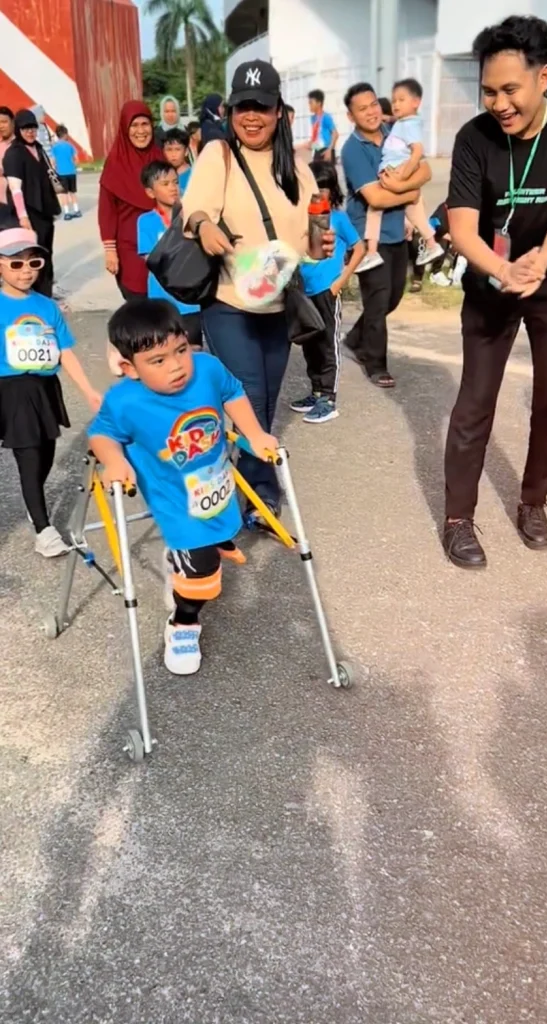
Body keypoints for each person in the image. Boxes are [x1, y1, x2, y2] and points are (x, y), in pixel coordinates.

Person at [443, 15, 547, 569]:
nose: (499, 104)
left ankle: (534, 501)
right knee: (475, 400)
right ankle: (458, 518)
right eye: (489, 91)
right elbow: (462, 228)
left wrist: (540, 263)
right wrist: (503, 271)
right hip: (492, 276)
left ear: (543, 77)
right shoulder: (473, 138)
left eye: (510, 89)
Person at [89, 298, 278, 675]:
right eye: (158, 360)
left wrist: (255, 433)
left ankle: (183, 564)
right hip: (173, 498)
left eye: (180, 350)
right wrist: (114, 461)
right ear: (130, 368)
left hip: (215, 484)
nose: (176, 365)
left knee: (221, 532)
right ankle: (184, 623)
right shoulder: (125, 400)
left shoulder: (206, 369)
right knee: (202, 577)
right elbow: (102, 434)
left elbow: (232, 392)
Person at [182, 59, 332, 522]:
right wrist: (204, 225)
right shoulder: (219, 155)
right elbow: (194, 209)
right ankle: (260, 496)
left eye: (261, 107)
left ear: (278, 112)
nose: (252, 117)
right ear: (230, 111)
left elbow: (308, 242)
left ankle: (238, 481)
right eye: (243, 107)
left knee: (263, 400)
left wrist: (319, 243)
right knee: (250, 397)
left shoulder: (297, 169)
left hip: (278, 301)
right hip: (229, 301)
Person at [0, 226, 101, 556]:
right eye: (16, 263)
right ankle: (43, 530)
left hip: (45, 387)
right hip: (11, 389)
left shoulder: (47, 307)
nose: (26, 271)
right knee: (29, 455)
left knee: (44, 452)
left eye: (34, 263)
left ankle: (35, 504)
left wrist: (88, 390)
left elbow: (65, 351)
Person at [340, 82, 431, 388]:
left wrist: (401, 186)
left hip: (396, 230)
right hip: (367, 235)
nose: (371, 112)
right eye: (362, 109)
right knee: (378, 300)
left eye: (373, 105)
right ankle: (376, 363)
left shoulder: (396, 131)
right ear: (351, 116)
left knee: (393, 296)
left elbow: (425, 171)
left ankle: (355, 338)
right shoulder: (352, 149)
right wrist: (411, 192)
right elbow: (375, 198)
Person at [290, 160, 364, 423]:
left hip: (327, 290)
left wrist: (340, 281)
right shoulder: (301, 219)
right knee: (310, 343)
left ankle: (328, 399)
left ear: (333, 190)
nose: (319, 194)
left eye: (323, 188)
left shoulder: (339, 219)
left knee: (327, 343)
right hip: (304, 292)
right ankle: (316, 392)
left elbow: (360, 248)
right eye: (313, 189)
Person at [360, 79, 443, 274]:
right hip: (397, 168)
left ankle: (371, 251)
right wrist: (386, 118)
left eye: (401, 100)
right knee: (414, 209)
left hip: (395, 169)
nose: (396, 104)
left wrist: (403, 176)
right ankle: (432, 244)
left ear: (416, 102)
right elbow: (395, 122)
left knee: (375, 207)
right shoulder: (406, 122)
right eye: (394, 100)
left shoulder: (408, 126)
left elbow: (417, 150)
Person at [98, 101, 163, 300]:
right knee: (138, 302)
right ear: (125, 129)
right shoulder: (115, 163)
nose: (140, 131)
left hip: (162, 244)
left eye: (145, 124)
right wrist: (110, 251)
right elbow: (107, 211)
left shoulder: (161, 158)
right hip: (129, 248)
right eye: (134, 125)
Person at [137, 160, 202, 349]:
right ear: (150, 192)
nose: (173, 188)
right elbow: (150, 259)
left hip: (191, 302)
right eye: (165, 184)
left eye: (175, 182)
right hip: (163, 300)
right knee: (168, 350)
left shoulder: (191, 216)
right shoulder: (146, 221)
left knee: (193, 349)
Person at [4, 110, 61, 298]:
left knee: (46, 255)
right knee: (31, 257)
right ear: (18, 130)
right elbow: (15, 189)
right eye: (25, 128)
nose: (30, 132)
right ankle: (32, 295)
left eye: (33, 128)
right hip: (28, 213)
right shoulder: (14, 153)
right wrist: (23, 217)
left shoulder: (38, 148)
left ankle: (46, 295)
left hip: (44, 212)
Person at [51, 124, 80, 221]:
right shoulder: (70, 146)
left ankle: (67, 213)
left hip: (61, 173)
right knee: (73, 192)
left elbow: (53, 161)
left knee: (64, 194)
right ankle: (76, 210)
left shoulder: (55, 147)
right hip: (71, 172)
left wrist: (55, 169)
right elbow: (76, 159)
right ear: (65, 134)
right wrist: (74, 166)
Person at [307, 89, 338, 163]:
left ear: (319, 103)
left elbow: (335, 134)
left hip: (326, 150)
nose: (309, 105)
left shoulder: (326, 117)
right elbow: (317, 135)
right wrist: (310, 143)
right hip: (317, 150)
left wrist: (329, 150)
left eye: (311, 102)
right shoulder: (313, 118)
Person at [162, 127, 192, 194]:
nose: (173, 154)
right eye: (169, 149)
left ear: (186, 151)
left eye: (177, 149)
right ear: (163, 151)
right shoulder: (161, 176)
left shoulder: (195, 175)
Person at [0, 106, 15, 209]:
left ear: (13, 122)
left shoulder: (21, 145)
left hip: (16, 203)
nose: (1, 126)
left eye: (4, 122)